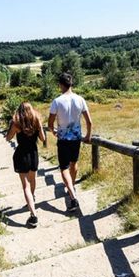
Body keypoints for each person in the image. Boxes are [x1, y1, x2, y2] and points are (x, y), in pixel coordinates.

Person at [48, 72, 93, 212]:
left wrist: (54, 131)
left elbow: (50, 123)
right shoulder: (80, 100)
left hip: (63, 139)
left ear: (60, 85)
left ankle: (73, 198)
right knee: (74, 163)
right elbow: (89, 122)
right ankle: (71, 186)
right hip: (76, 138)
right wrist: (87, 136)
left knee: (64, 168)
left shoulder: (57, 101)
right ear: (71, 83)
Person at [6, 102, 46, 228]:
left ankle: (33, 215)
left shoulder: (16, 123)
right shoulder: (36, 121)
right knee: (32, 180)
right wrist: (39, 129)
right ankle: (32, 200)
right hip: (33, 153)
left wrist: (12, 129)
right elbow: (43, 138)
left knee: (25, 186)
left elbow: (8, 138)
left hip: (21, 154)